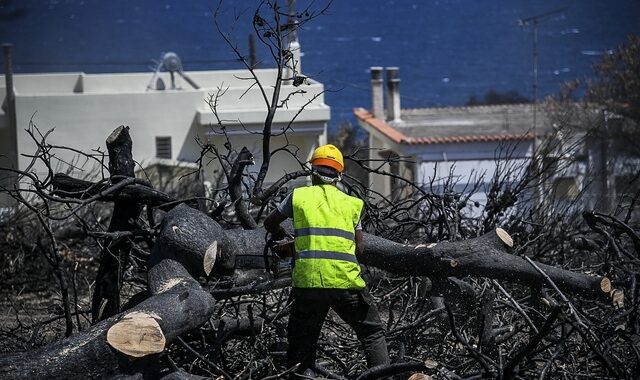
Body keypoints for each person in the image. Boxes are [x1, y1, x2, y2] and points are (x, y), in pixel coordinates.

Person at [264, 144, 390, 378]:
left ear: (312, 172)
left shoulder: (298, 196)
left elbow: (269, 224)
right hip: (345, 283)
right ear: (339, 175)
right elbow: (359, 249)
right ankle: (381, 377)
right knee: (372, 333)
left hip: (308, 285)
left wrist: (285, 238)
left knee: (302, 349)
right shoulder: (353, 204)